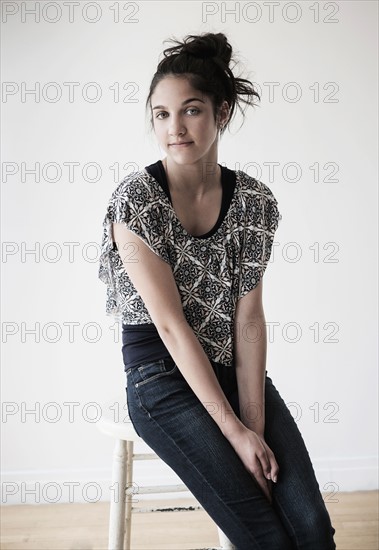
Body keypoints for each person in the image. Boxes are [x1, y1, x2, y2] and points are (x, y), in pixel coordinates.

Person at [98, 32, 336, 550]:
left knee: (312, 530)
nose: (174, 128)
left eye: (190, 111)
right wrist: (235, 435)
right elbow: (170, 326)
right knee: (266, 536)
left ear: (221, 113)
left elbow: (249, 318)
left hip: (232, 370)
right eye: (160, 114)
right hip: (161, 380)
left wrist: (255, 427)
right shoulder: (137, 201)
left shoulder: (253, 201)